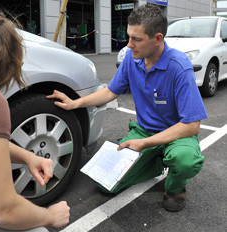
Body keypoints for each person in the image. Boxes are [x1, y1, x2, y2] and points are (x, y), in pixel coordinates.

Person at [47, 4, 207, 212]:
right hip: (144, 132)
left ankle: (175, 188)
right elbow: (109, 92)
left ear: (158, 39)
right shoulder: (132, 60)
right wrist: (75, 102)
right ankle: (156, 161)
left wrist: (145, 143)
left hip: (177, 136)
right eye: (129, 36)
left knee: (185, 160)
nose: (129, 44)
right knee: (104, 184)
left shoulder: (179, 66)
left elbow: (192, 125)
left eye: (136, 39)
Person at [0, 13, 70, 230]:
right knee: (36, 228)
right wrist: (49, 215)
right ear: (10, 63)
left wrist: (28, 156)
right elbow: (3, 211)